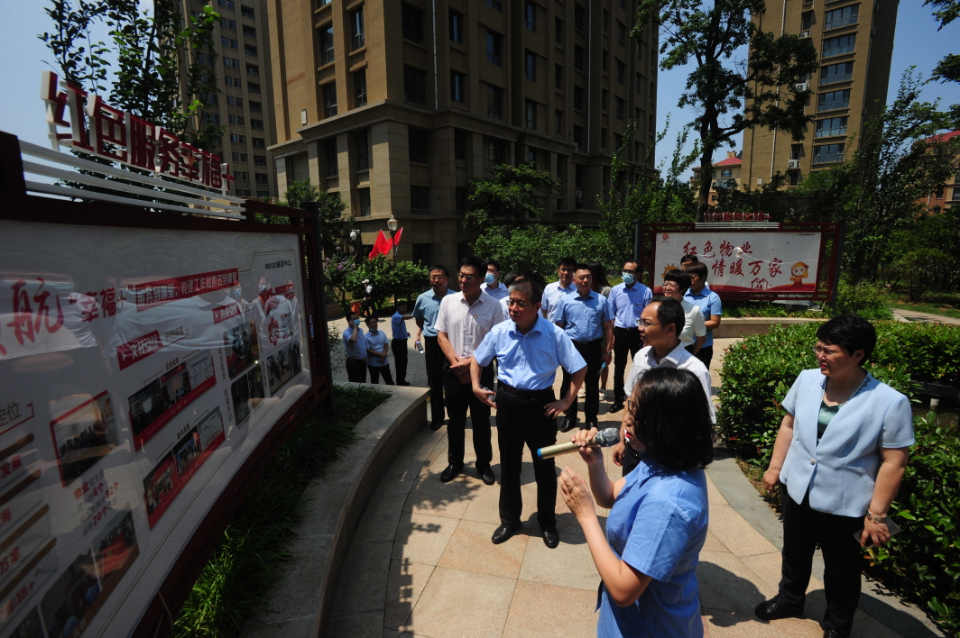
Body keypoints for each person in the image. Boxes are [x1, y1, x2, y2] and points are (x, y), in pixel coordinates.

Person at [755, 314, 914, 638]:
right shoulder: (807, 379)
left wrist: (877, 514)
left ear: (858, 355)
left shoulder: (889, 402)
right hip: (798, 487)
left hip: (845, 501)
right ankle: (790, 598)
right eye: (818, 348)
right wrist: (775, 468)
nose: (820, 356)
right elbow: (789, 425)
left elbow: (894, 462)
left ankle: (837, 626)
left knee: (842, 567)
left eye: (829, 350)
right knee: (795, 551)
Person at [559, 367, 715, 637]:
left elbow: (623, 590)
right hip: (625, 621)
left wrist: (585, 515)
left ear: (665, 424)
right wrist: (595, 463)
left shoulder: (668, 503)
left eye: (636, 413)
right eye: (630, 406)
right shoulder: (661, 459)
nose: (627, 420)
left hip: (651, 627)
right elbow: (610, 495)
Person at [471, 280, 586, 548]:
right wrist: (476, 386)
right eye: (511, 302)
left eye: (520, 303)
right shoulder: (500, 331)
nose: (513, 308)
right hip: (507, 403)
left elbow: (579, 368)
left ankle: (547, 522)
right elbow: (478, 359)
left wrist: (566, 401)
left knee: (544, 466)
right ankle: (509, 520)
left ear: (537, 306)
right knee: (509, 465)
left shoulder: (554, 334)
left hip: (541, 406)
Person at [614, 298, 714, 475]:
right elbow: (630, 402)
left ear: (670, 329)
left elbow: (702, 421)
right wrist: (622, 440)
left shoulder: (694, 370)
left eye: (647, 323)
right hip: (634, 452)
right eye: (640, 321)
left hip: (669, 461)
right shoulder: (641, 356)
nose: (640, 328)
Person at [435, 257, 503, 484]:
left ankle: (484, 464)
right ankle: (455, 462)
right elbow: (441, 334)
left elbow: (496, 342)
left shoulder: (494, 306)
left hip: (481, 372)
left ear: (482, 279)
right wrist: (456, 363)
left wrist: (470, 364)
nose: (463, 280)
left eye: (469, 277)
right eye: (461, 275)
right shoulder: (448, 301)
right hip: (453, 370)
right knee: (455, 419)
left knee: (481, 420)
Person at [553, 264, 613, 432]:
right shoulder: (565, 300)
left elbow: (608, 326)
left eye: (588, 277)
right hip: (572, 348)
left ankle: (591, 420)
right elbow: (558, 327)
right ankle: (570, 417)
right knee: (569, 383)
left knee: (592, 385)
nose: (585, 280)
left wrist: (607, 350)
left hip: (593, 348)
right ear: (574, 280)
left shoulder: (601, 300)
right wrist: (558, 351)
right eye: (581, 277)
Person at [413, 266, 454, 430]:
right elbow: (419, 319)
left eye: (439, 277)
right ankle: (437, 418)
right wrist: (420, 334)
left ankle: (455, 416)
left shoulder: (456, 297)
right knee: (434, 381)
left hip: (452, 342)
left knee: (452, 380)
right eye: (433, 277)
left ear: (447, 279)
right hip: (432, 342)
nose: (436, 280)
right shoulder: (423, 298)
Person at [608, 260, 652, 413]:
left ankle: (639, 398)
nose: (626, 274)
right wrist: (612, 336)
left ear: (637, 274)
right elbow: (610, 314)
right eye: (624, 270)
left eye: (630, 272)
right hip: (620, 331)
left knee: (640, 366)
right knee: (619, 366)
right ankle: (618, 399)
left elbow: (648, 316)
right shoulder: (615, 290)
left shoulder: (645, 291)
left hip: (637, 333)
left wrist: (647, 337)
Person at [683, 262, 722, 369]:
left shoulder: (712, 297)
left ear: (703, 277)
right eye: (687, 277)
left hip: (703, 346)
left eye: (692, 277)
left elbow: (715, 322)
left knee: (699, 376)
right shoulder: (683, 294)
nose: (690, 280)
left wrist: (692, 325)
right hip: (683, 344)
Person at [662, 269, 707, 355]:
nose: (667, 288)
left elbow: (701, 338)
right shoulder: (657, 307)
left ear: (683, 288)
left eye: (672, 285)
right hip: (660, 354)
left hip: (683, 353)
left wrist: (690, 356)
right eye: (665, 284)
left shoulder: (694, 310)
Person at [588, 262, 613, 402]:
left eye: (589, 274)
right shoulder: (583, 289)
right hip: (588, 332)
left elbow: (609, 315)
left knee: (602, 360)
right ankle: (588, 386)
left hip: (602, 331)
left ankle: (602, 387)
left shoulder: (606, 291)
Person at [541, 256, 577, 321]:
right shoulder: (549, 288)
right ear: (558, 271)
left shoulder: (578, 290)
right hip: (552, 327)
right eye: (563, 269)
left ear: (574, 273)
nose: (566, 273)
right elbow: (543, 311)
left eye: (569, 270)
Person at [364, 316, 394, 385]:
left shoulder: (382, 333)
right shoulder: (366, 337)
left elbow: (386, 344)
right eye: (373, 323)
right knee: (374, 381)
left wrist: (383, 355)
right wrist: (381, 355)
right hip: (373, 363)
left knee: (389, 380)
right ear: (368, 325)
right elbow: (368, 350)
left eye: (375, 322)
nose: (375, 324)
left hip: (384, 362)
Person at [342, 311, 367, 383]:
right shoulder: (346, 332)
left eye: (357, 318)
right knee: (355, 383)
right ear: (349, 321)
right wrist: (355, 327)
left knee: (363, 382)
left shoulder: (360, 330)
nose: (357, 320)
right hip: (354, 363)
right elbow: (353, 340)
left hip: (362, 362)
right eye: (354, 319)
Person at [391, 301, 411, 386]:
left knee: (404, 362)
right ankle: (400, 381)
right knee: (400, 363)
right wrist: (416, 314)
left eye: (405, 307)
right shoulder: (396, 316)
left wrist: (405, 333)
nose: (404, 309)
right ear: (398, 308)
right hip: (398, 343)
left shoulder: (399, 316)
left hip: (402, 342)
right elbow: (405, 317)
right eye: (403, 307)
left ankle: (402, 380)